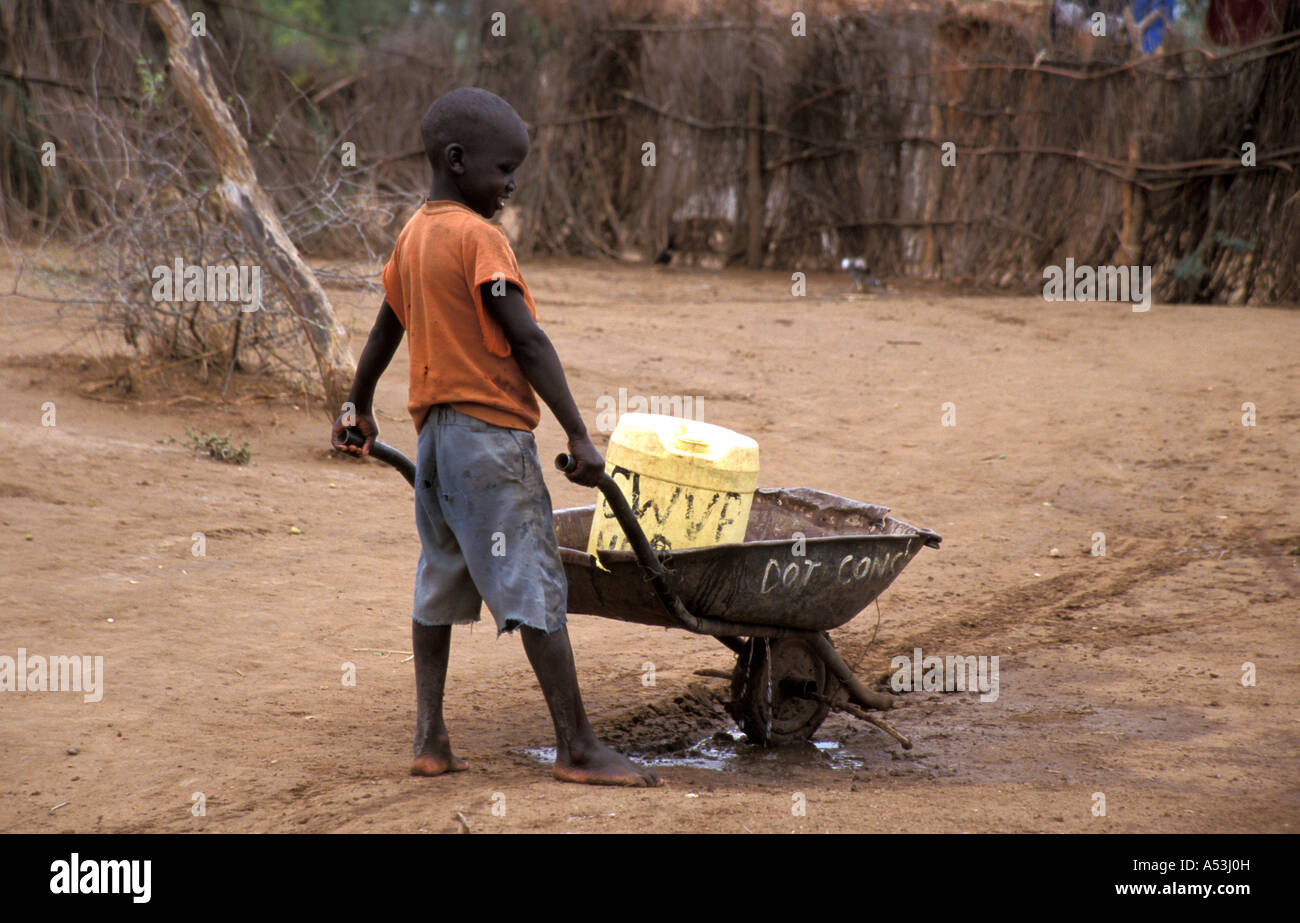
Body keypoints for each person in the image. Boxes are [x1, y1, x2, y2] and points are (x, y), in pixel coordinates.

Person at [331, 87, 659, 787]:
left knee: (439, 579)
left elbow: (386, 326)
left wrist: (358, 403)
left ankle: (430, 738)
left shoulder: (414, 234)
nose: (512, 184)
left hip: (436, 447)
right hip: (490, 441)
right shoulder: (479, 239)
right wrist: (579, 429)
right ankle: (577, 746)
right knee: (534, 579)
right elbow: (527, 339)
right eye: (504, 169)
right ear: (456, 161)